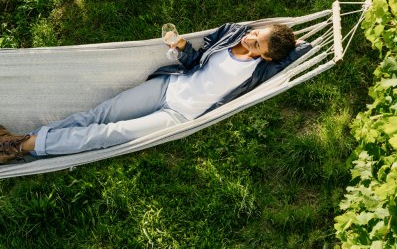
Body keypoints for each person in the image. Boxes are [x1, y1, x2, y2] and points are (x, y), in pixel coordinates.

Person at [0, 23, 311, 162]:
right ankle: (19, 145)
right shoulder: (232, 32)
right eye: (257, 33)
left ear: (267, 57)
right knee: (97, 114)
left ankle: (23, 144)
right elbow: (195, 60)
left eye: (258, 44)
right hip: (168, 86)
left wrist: (305, 41)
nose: (252, 38)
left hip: (178, 114)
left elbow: (300, 52)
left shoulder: (262, 70)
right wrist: (181, 47)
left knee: (107, 134)